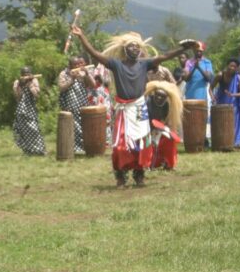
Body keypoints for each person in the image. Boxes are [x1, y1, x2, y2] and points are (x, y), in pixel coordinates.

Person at [71, 25, 195, 187]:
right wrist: (81, 36)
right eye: (132, 46)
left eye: (137, 46)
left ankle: (139, 174)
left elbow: (164, 57)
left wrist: (182, 49)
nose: (135, 49)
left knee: (142, 144)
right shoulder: (116, 64)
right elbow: (95, 54)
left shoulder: (144, 64)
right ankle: (121, 175)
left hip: (139, 108)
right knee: (121, 146)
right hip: (124, 109)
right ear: (125, 49)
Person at [143, 81, 183, 170]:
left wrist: (165, 131)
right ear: (154, 94)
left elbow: (163, 121)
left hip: (157, 130)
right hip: (145, 130)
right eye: (157, 94)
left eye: (162, 96)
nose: (159, 97)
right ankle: (146, 163)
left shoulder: (165, 105)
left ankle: (168, 163)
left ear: (166, 98)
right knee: (148, 142)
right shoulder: (147, 101)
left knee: (170, 139)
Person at [58, 56, 94, 154]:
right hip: (69, 104)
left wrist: (87, 74)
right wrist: (71, 79)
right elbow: (61, 87)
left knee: (83, 126)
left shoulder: (82, 73)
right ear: (70, 65)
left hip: (82, 103)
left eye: (79, 64)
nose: (78, 66)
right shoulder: (63, 73)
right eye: (76, 64)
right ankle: (74, 148)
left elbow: (93, 84)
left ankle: (84, 147)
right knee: (73, 126)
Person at [184, 43, 216, 144]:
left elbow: (208, 78)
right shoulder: (189, 62)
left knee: (203, 116)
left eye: (200, 51)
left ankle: (204, 138)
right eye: (197, 51)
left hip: (202, 93)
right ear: (193, 51)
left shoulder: (207, 62)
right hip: (190, 93)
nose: (198, 53)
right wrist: (194, 68)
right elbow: (186, 78)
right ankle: (192, 138)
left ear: (203, 52)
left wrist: (199, 68)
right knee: (191, 116)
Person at [216, 59, 240, 148]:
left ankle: (235, 142)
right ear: (227, 65)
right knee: (222, 122)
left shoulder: (238, 77)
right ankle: (223, 141)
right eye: (231, 66)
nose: (232, 68)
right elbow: (210, 88)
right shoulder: (220, 75)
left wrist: (233, 94)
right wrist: (213, 98)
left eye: (234, 67)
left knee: (235, 123)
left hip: (234, 104)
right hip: (221, 102)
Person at [13, 66, 46, 156]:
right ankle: (28, 150)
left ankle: (40, 150)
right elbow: (17, 96)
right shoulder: (17, 82)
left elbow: (37, 95)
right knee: (23, 130)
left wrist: (30, 84)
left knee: (34, 129)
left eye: (28, 73)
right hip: (21, 109)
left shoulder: (34, 81)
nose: (26, 75)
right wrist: (21, 85)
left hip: (31, 108)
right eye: (24, 74)